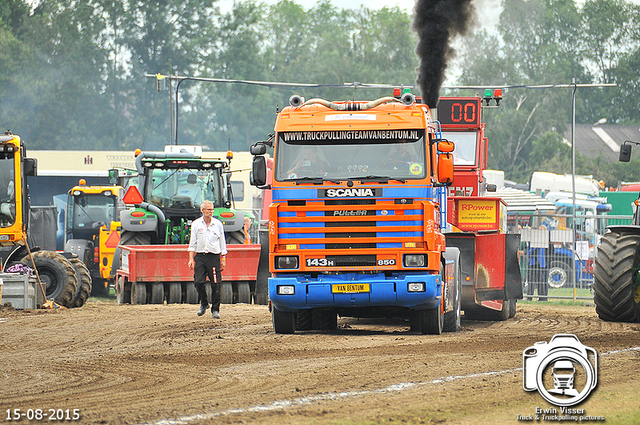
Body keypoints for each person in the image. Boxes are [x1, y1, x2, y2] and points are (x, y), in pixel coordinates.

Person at [187, 200, 227, 318]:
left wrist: (223, 258)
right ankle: (204, 303)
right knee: (198, 282)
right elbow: (192, 243)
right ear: (202, 210)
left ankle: (215, 309)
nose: (211, 212)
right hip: (200, 256)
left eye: (212, 209)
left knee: (216, 283)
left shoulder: (218, 224)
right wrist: (191, 259)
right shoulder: (196, 224)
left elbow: (222, 242)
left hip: (213, 257)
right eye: (209, 209)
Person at [527, 224, 549, 302]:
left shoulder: (545, 240)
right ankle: (531, 297)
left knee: (540, 281)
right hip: (535, 262)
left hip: (540, 263)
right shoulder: (535, 239)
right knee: (533, 280)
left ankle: (542, 297)